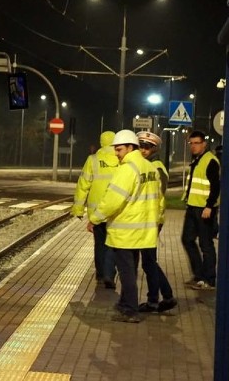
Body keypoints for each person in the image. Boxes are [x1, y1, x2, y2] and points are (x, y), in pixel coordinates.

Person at [88, 130, 161, 323]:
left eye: (119, 149)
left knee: (127, 272)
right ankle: (124, 303)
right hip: (143, 230)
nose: (116, 153)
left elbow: (112, 200)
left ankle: (130, 310)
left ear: (131, 147)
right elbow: (158, 200)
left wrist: (95, 218)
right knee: (132, 270)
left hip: (126, 230)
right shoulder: (149, 168)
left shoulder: (127, 169)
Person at [135, 131, 177, 313]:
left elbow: (158, 195)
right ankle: (164, 297)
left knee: (149, 261)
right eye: (141, 145)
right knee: (149, 261)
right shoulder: (143, 165)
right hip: (148, 219)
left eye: (147, 147)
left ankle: (158, 299)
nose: (143, 149)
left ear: (154, 149)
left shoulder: (156, 167)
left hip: (151, 219)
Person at [72, 130, 119, 288]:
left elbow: (82, 186)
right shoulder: (121, 160)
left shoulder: (92, 160)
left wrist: (78, 209)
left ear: (101, 142)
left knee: (100, 244)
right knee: (114, 244)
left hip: (97, 212)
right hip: (116, 211)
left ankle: (101, 275)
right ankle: (110, 273)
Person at [182, 130, 220, 290]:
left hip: (204, 209)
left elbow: (216, 186)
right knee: (187, 239)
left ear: (204, 144)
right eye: (191, 143)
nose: (193, 146)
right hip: (193, 207)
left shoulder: (210, 161)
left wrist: (209, 206)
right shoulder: (197, 160)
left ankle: (209, 280)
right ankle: (199, 275)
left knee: (206, 244)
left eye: (196, 143)